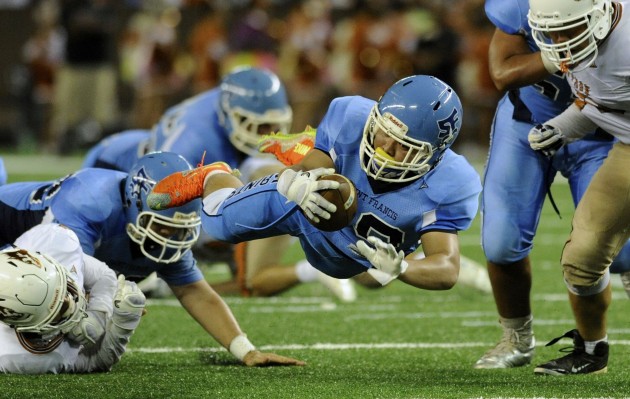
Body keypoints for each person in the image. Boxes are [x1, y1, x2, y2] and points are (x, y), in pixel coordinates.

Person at [147, 75, 482, 294]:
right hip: (308, 203)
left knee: (372, 277)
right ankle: (213, 176)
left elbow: (447, 266)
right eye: (383, 132)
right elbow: (318, 161)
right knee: (219, 224)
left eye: (403, 147)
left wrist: (405, 267)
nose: (384, 148)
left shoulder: (452, 183)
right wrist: (304, 181)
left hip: (353, 247)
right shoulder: (350, 114)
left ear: (434, 154)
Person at [0, 151, 304, 367]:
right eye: (162, 228)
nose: (171, 239)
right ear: (133, 205)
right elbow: (68, 287)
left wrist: (246, 351)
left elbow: (194, 291)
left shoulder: (162, 230)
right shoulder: (91, 201)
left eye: (179, 229)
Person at [84, 65, 357, 301]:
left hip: (196, 167)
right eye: (256, 126)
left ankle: (219, 269)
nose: (267, 135)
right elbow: (155, 197)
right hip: (119, 171)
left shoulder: (233, 110)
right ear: (228, 116)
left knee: (269, 186)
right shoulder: (193, 140)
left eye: (271, 126)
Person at [473, 0, 630, 370]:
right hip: (532, 116)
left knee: (619, 253)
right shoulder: (522, 7)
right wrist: (558, 54)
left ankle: (593, 346)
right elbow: (501, 72)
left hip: (608, 130)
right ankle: (517, 339)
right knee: (501, 242)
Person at [525, 0, 630, 375]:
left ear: (600, 16)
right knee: (582, 260)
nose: (559, 42)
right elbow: (597, 102)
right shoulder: (578, 41)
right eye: (552, 33)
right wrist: (563, 128)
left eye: (568, 30)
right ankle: (591, 351)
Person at [0, 223, 145, 374]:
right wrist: (124, 324)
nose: (72, 306)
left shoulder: (54, 243)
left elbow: (103, 275)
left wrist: (98, 313)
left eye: (65, 292)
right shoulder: (12, 355)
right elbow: (94, 360)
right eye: (58, 312)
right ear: (22, 324)